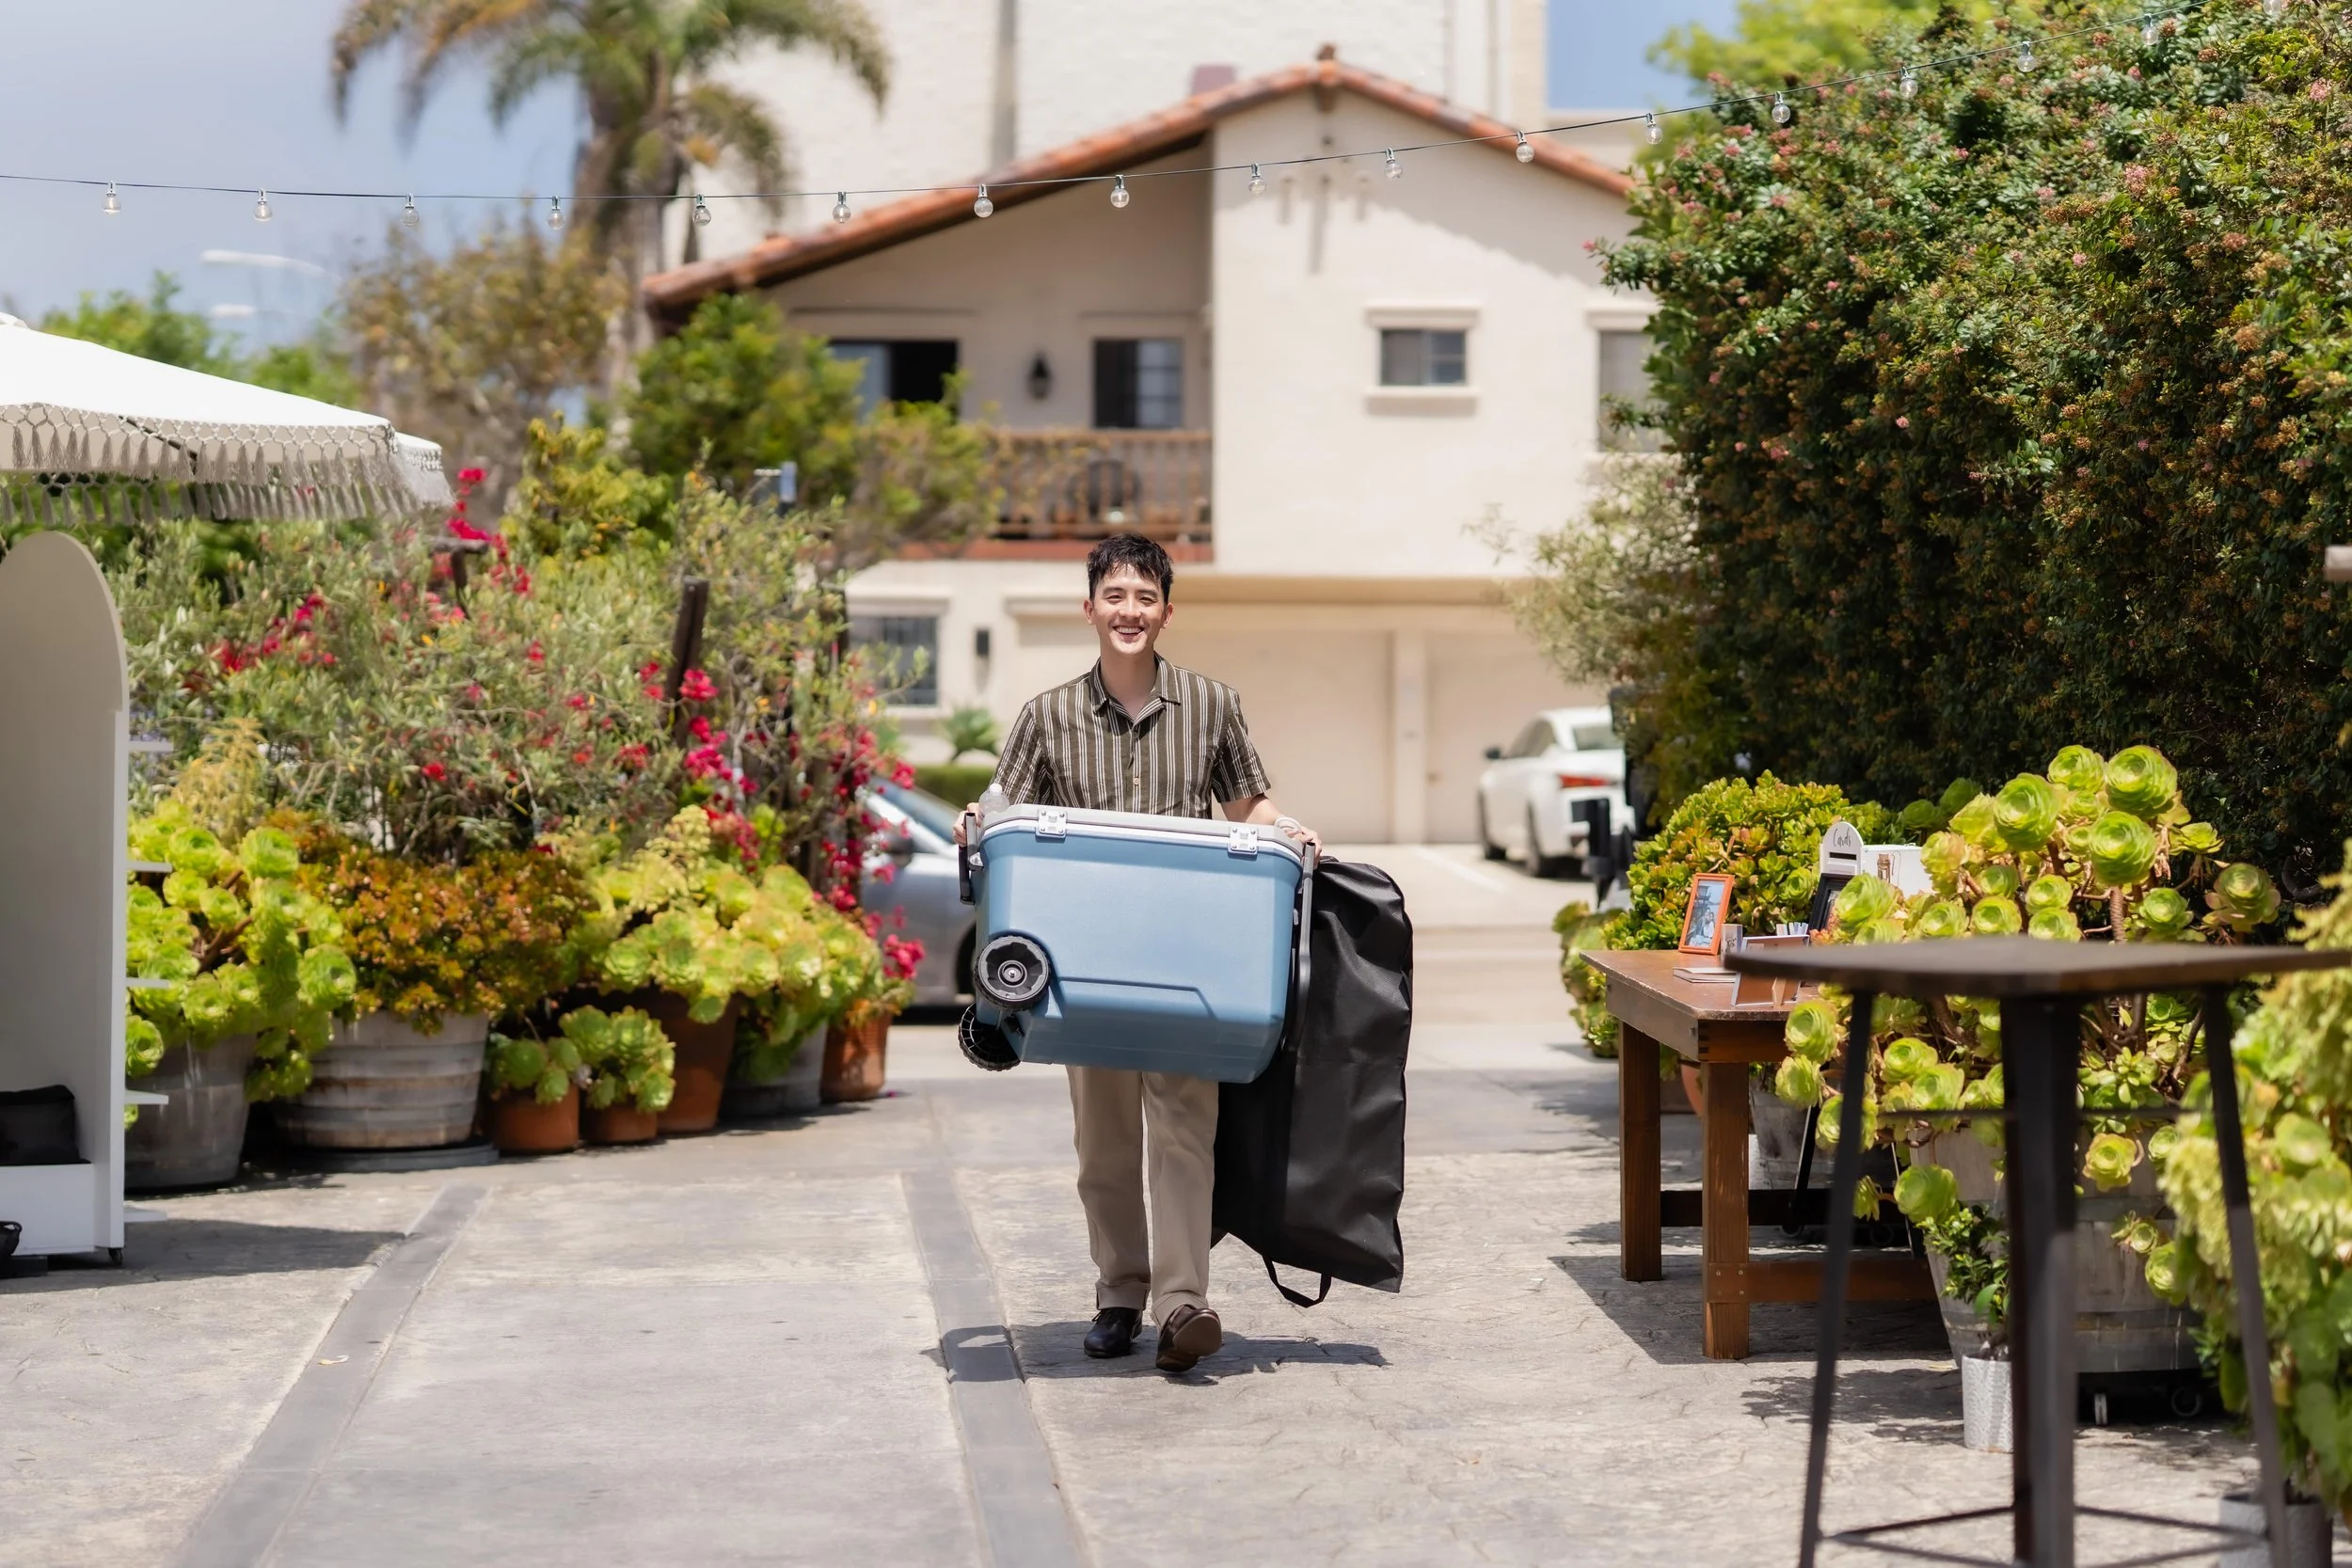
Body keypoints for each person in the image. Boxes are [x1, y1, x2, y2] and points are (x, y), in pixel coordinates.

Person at [956, 533, 1319, 1374]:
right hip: (1085, 963)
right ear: (1090, 608)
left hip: (1189, 957)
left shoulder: (1211, 704)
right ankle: (1120, 1293)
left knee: (1187, 1133)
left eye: (1144, 597)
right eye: (1114, 596)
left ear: (1165, 608)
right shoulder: (1048, 714)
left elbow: (1247, 804)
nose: (1129, 611)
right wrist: (973, 820)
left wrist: (1287, 827)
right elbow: (1002, 802)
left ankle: (1183, 1302)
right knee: (1106, 1144)